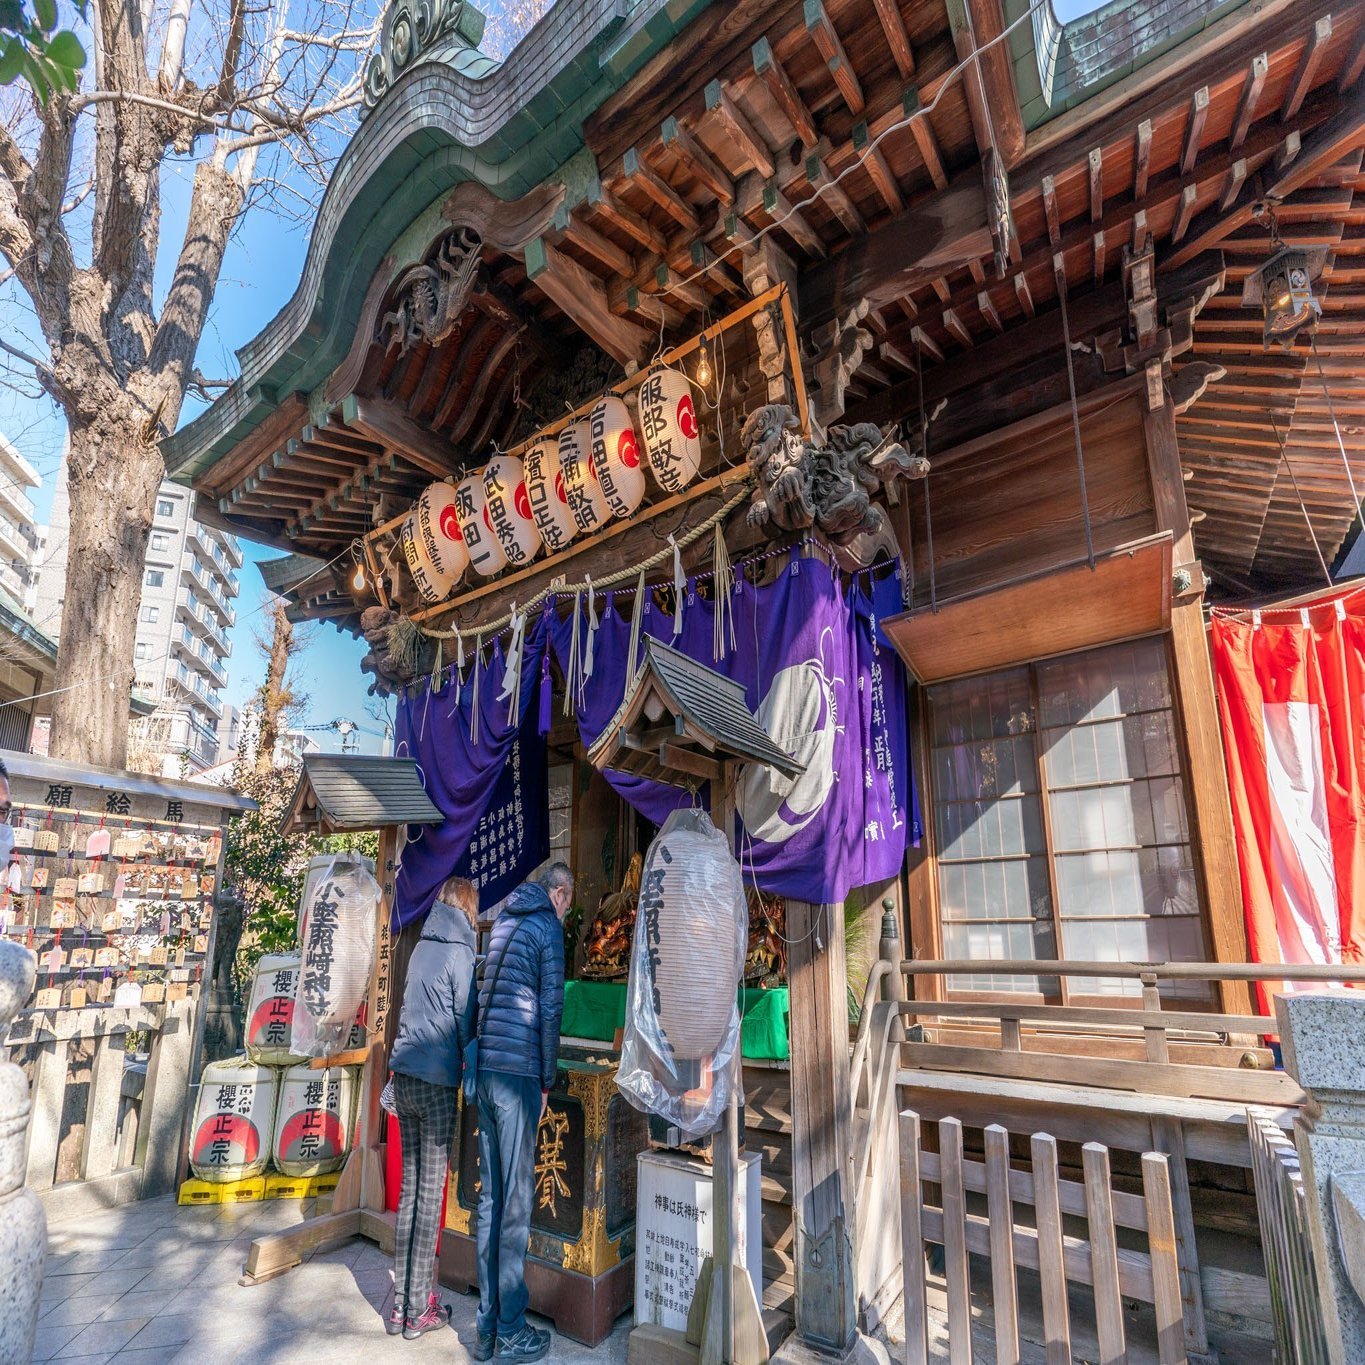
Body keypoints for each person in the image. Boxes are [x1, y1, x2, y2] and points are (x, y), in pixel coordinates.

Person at [474, 862, 571, 1363]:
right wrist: (548, 1080)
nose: (565, 911)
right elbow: (551, 1007)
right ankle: (510, 1327)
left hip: (488, 1072)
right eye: (567, 903)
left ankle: (487, 1326)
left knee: (491, 1201)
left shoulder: (507, 921)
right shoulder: (547, 928)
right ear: (559, 894)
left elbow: (484, 992)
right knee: (513, 1204)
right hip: (517, 1079)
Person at [386, 875, 479, 1339]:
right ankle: (420, 1307)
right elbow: (466, 1021)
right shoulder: (461, 952)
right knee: (430, 1195)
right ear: (467, 908)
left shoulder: (422, 945)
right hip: (437, 1080)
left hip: (403, 1076)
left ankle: (401, 1304)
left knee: (409, 1191)